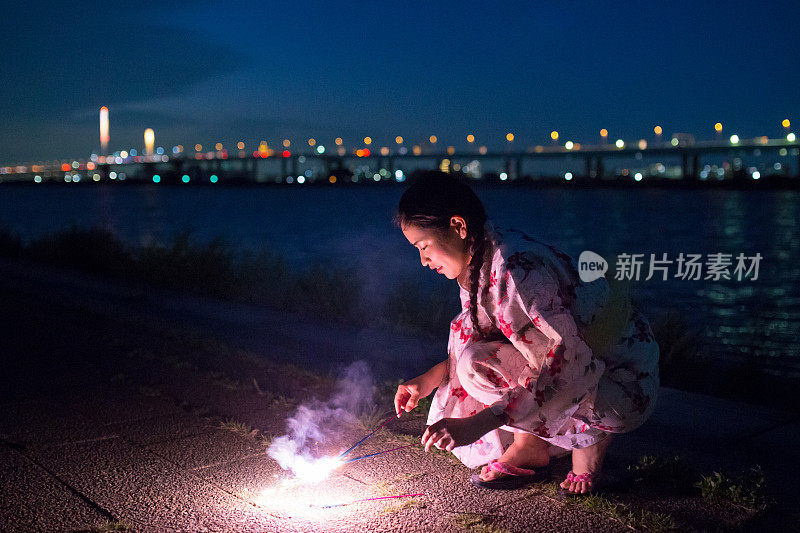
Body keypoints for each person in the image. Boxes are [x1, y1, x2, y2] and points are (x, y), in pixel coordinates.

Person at [393, 171, 659, 495]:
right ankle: (532, 446)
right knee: (474, 362)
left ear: (458, 227)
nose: (422, 260)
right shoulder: (477, 262)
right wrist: (427, 380)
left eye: (424, 246)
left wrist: (475, 425)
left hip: (620, 377)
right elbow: (477, 340)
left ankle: (590, 437)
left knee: (531, 365)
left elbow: (565, 363)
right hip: (577, 363)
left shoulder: (515, 267)